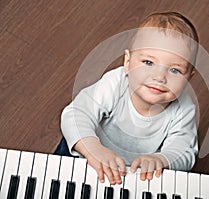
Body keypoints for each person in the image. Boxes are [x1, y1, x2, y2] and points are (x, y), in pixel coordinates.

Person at [59, 11, 199, 185]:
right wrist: (92, 148)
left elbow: (184, 151)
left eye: (175, 70)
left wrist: (162, 160)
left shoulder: (184, 109)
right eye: (148, 62)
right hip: (87, 154)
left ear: (188, 78)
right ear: (127, 62)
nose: (159, 77)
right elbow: (76, 113)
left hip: (134, 175)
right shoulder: (116, 83)